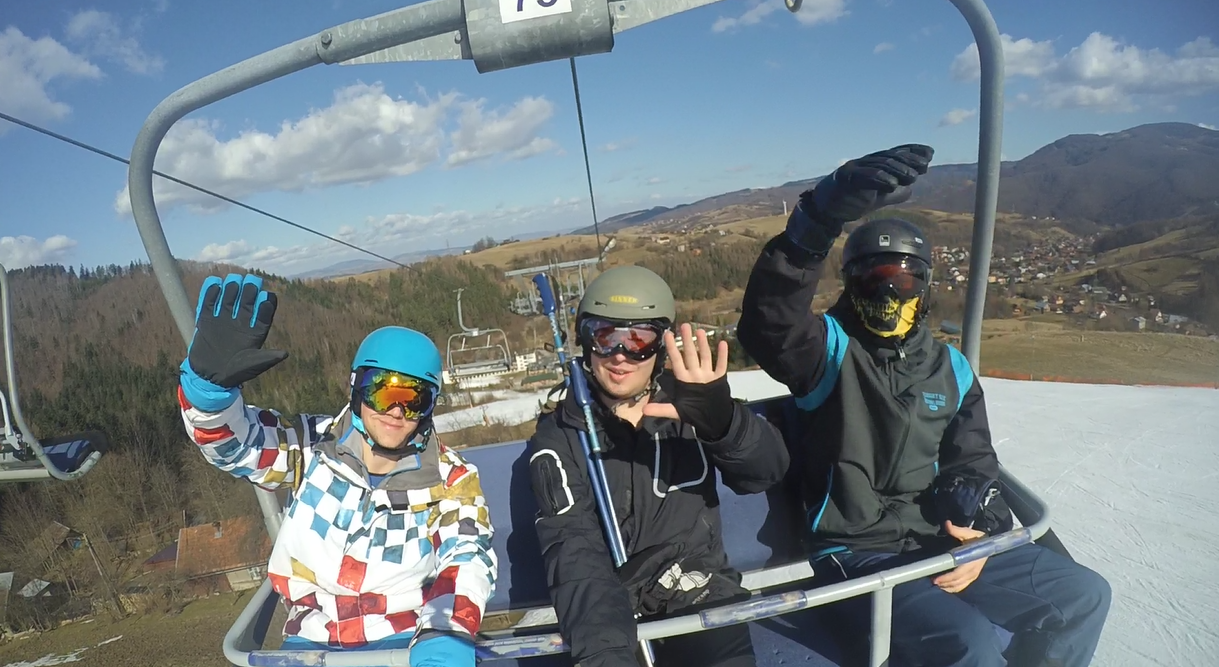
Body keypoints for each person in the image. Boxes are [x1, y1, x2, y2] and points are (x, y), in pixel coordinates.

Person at [737, 145, 1112, 667]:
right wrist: (817, 217)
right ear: (852, 283)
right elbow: (770, 320)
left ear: (925, 285)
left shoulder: (949, 368)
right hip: (856, 553)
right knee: (969, 642)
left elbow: (972, 459)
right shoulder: (827, 352)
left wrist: (978, 529)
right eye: (874, 279)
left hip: (938, 540)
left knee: (1083, 597)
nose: (889, 293)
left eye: (905, 279)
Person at [176, 273, 496, 667]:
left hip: (400, 641)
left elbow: (467, 556)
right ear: (357, 389)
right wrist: (208, 397)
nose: (396, 411)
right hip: (311, 642)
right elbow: (238, 445)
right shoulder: (311, 448)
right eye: (383, 391)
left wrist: (445, 632)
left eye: (414, 399)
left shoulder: (450, 480)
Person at [527, 265, 790, 667]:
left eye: (639, 340)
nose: (621, 355)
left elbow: (765, 472)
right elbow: (574, 552)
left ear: (661, 347)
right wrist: (606, 655)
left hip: (701, 594)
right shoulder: (563, 436)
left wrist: (726, 424)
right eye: (604, 337)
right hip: (615, 612)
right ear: (585, 341)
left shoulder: (691, 407)